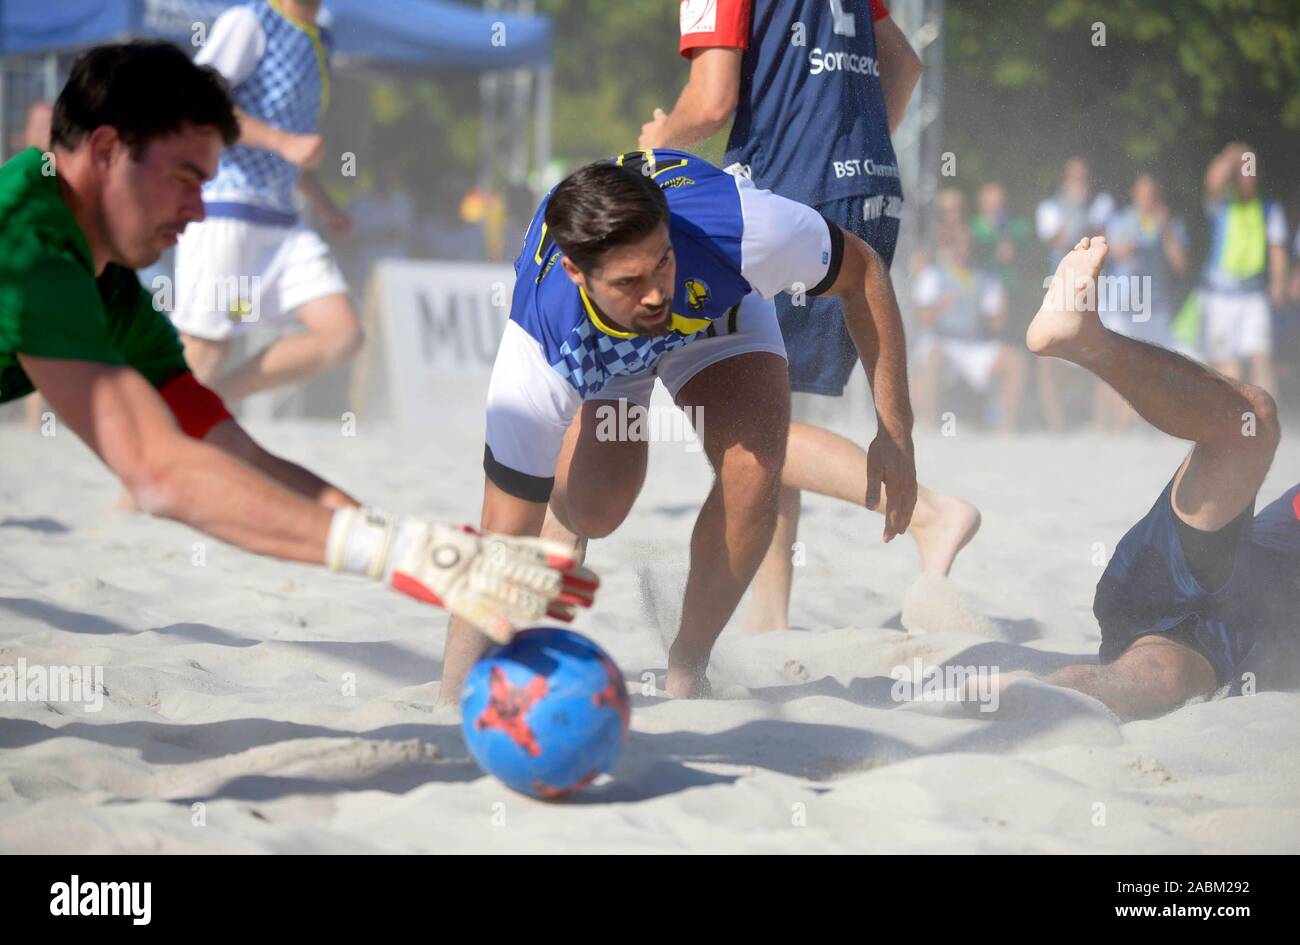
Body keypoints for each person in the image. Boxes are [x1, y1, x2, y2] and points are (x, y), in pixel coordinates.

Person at [0, 42, 595, 648]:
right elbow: (159, 472)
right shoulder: (30, 239)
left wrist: (417, 547)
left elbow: (236, 454)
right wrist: (394, 552)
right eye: (185, 178)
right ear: (105, 150)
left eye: (206, 183)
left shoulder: (112, 286)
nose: (199, 210)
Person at [440, 149, 920, 702]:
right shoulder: (539, 346)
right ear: (576, 272)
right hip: (599, 350)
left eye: (661, 262)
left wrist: (895, 432)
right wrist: (453, 699)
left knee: (755, 470)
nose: (653, 294)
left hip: (713, 312)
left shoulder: (742, 229)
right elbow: (500, 539)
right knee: (595, 510)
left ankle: (688, 666)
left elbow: (862, 271)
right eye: (629, 280)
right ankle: (565, 491)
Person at [638, 0, 978, 633]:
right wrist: (853, 152)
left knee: (746, 426)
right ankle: (770, 622)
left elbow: (711, 103)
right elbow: (902, 62)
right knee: (768, 401)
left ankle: (932, 514)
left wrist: (660, 142)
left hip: (790, 192)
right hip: (867, 187)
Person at [1024, 236, 1298, 721]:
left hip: (1224, 642)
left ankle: (982, 702)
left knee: (1159, 681)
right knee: (1253, 421)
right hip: (1199, 561)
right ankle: (1089, 343)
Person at [170, 0, 364, 404]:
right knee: (208, 346)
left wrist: (324, 204)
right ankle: (163, 440)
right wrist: (283, 142)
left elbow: (294, 141)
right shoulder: (249, 22)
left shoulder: (321, 38)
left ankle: (214, 403)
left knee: (342, 335)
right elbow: (198, 101)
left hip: (282, 219)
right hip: (227, 209)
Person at [912, 224, 1025, 431]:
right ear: (949, 246)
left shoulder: (986, 278)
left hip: (973, 343)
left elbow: (996, 323)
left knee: (1015, 360)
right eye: (957, 244)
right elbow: (922, 317)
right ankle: (931, 425)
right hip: (942, 340)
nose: (962, 249)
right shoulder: (933, 275)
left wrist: (1000, 313)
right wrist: (941, 307)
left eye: (966, 244)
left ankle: (1006, 429)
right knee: (933, 356)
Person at [1199, 142, 1289, 393]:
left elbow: (1277, 249)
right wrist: (1234, 153)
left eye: (1251, 171)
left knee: (1261, 356)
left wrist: (1278, 284)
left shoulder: (1268, 208)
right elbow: (1213, 180)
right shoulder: (1222, 203)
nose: (1247, 178)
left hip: (1253, 294)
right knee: (1227, 362)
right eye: (1242, 172)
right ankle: (1232, 419)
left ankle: (1268, 419)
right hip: (1221, 295)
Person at [1034, 158, 1114, 432]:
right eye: (1074, 177)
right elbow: (1058, 239)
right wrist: (1077, 211)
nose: (1079, 183)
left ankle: (1103, 422)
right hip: (1060, 288)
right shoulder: (1049, 208)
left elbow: (1103, 241)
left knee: (1100, 351)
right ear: (1064, 179)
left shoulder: (1102, 203)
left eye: (1083, 177)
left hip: (1093, 289)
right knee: (1050, 353)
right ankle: (1057, 425)